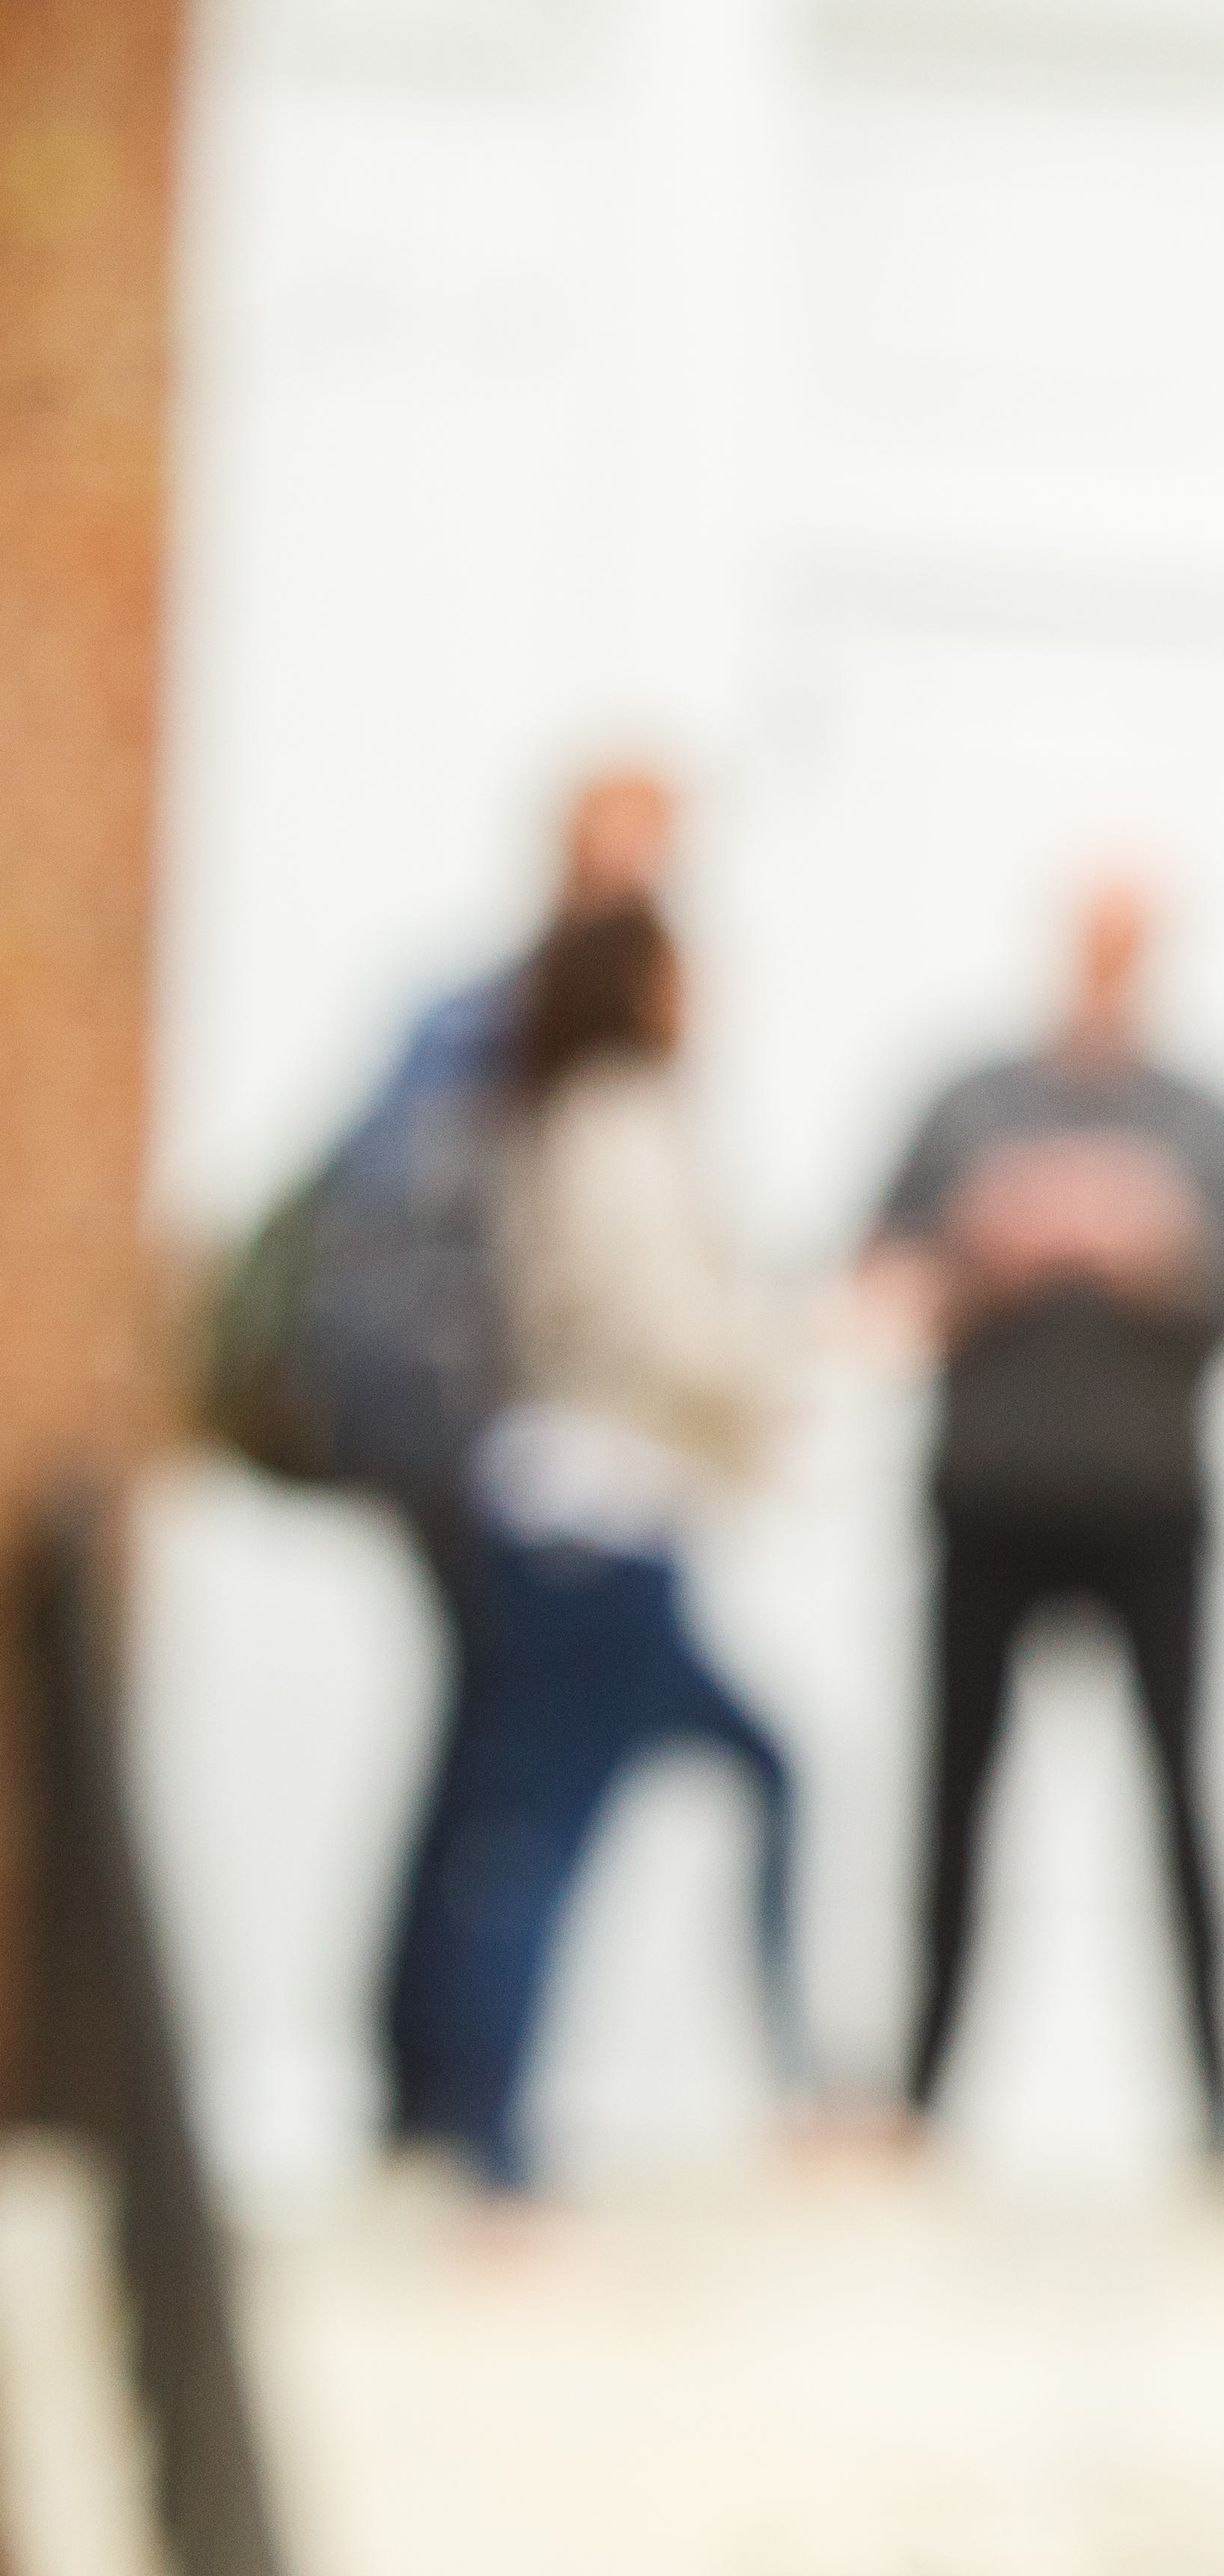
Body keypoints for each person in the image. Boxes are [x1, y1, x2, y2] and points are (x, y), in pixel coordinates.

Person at [862, 871, 1224, 2176]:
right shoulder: (969, 1104)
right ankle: (919, 2099)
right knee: (953, 1807)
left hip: (1149, 1509)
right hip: (988, 1499)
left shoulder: (1206, 1121)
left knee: (1180, 1807)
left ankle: (1222, 2117)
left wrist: (1158, 1250)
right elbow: (874, 1287)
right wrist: (981, 1251)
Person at [391, 900, 802, 2194]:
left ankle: (786, 2075)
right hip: (593, 1530)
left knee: (762, 1772)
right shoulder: (615, 1124)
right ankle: (487, 2146)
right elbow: (668, 1333)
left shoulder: (559, 1114)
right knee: (535, 1840)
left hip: (598, 1522)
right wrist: (803, 1355)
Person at [357, 764, 683, 2153]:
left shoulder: (590, 1057)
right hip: (505, 1466)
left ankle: (436, 2093)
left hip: (546, 1468)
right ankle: (450, 2105)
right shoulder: (490, 1030)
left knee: (488, 1780)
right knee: (511, 1802)